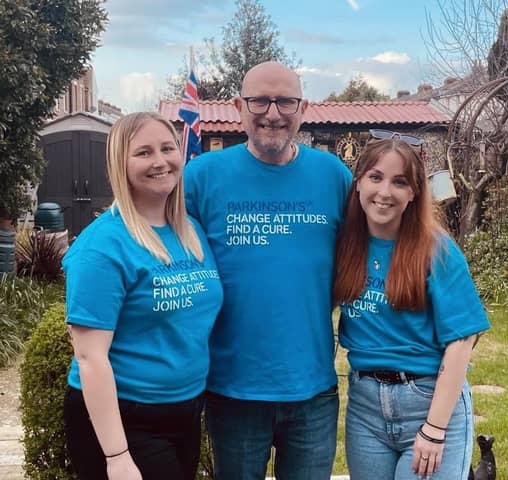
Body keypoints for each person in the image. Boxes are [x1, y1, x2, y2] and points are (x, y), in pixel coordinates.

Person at [183, 61, 352, 480]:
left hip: (313, 387)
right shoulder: (201, 177)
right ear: (239, 106)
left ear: (303, 108)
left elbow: (365, 253)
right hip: (232, 389)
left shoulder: (333, 176)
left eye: (285, 102)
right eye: (260, 100)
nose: (272, 113)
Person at [62, 112, 223, 480]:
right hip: (125, 419)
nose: (160, 161)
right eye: (144, 152)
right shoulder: (102, 246)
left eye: (167, 148)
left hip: (183, 410)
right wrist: (117, 455)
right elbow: (90, 356)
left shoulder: (190, 232)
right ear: (120, 163)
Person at [333, 130, 490, 480]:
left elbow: (462, 340)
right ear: (358, 182)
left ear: (414, 192)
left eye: (399, 182)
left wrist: (434, 429)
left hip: (427, 399)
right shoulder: (345, 246)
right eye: (375, 177)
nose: (385, 192)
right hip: (365, 407)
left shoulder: (436, 249)